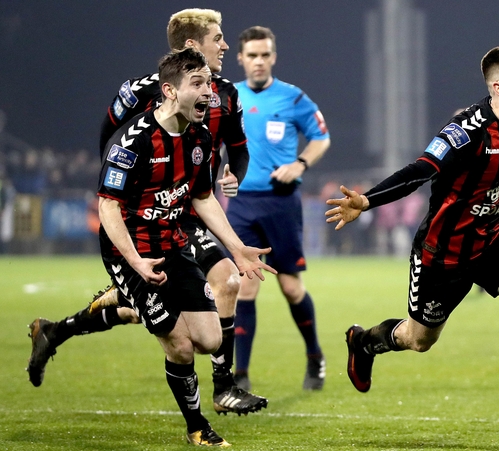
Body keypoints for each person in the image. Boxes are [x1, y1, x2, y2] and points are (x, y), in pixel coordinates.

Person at [325, 42, 499, 443]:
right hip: (442, 255)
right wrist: (367, 200)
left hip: (493, 240)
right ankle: (363, 341)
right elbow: (420, 169)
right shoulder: (464, 132)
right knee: (419, 339)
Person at [25, 9, 269, 417]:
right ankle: (224, 387)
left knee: (162, 305)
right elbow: (111, 138)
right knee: (222, 283)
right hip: (151, 212)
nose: (225, 46)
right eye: (218, 38)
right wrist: (123, 189)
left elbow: (238, 149)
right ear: (193, 46)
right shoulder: (142, 91)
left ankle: (59, 329)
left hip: (190, 203)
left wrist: (234, 175)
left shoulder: (225, 93)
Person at [97, 48, 274, 446]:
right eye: (198, 83)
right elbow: (108, 206)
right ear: (170, 91)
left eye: (210, 83)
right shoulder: (134, 141)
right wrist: (136, 263)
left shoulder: (200, 137)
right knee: (180, 345)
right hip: (133, 254)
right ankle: (197, 427)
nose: (209, 92)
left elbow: (203, 197)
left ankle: (120, 303)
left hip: (173, 246)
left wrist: (237, 247)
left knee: (211, 340)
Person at [226, 26, 331, 391]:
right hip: (240, 205)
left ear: (273, 56)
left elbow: (321, 136)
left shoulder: (293, 97)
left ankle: (315, 356)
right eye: (251, 55)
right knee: (245, 288)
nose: (258, 61)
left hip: (281, 203)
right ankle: (239, 376)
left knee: (290, 287)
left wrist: (300, 164)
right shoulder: (227, 97)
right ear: (240, 58)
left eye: (264, 54)